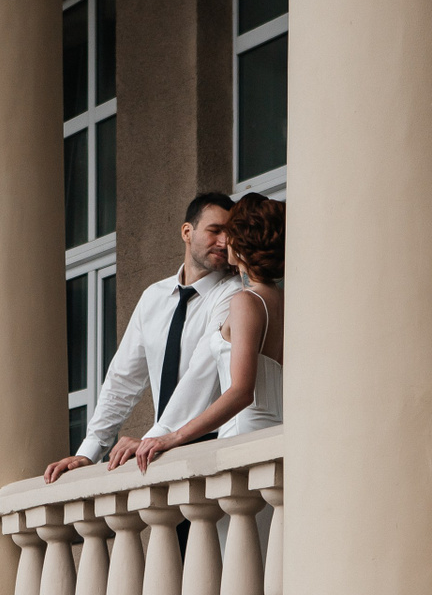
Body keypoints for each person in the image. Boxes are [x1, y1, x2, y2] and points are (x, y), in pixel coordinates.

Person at [42, 192, 241, 483]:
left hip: (211, 450)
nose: (224, 242)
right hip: (161, 456)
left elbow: (201, 375)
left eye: (230, 233)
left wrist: (153, 438)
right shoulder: (153, 297)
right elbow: (123, 378)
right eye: (215, 230)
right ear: (187, 232)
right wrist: (90, 451)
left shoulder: (233, 293)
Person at [130, 192, 283, 472]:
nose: (224, 242)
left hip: (243, 434)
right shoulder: (283, 301)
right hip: (277, 432)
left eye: (230, 233)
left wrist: (174, 436)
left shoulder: (245, 301)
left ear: (242, 242)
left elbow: (241, 392)